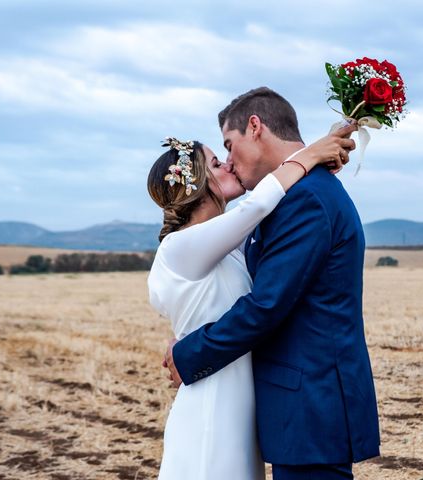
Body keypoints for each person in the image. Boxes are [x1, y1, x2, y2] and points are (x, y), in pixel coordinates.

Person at [162, 87, 381, 480]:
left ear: (255, 127)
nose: (228, 161)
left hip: (311, 409)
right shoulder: (301, 194)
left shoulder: (306, 200)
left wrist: (188, 353)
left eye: (229, 145)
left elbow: (266, 305)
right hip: (297, 409)